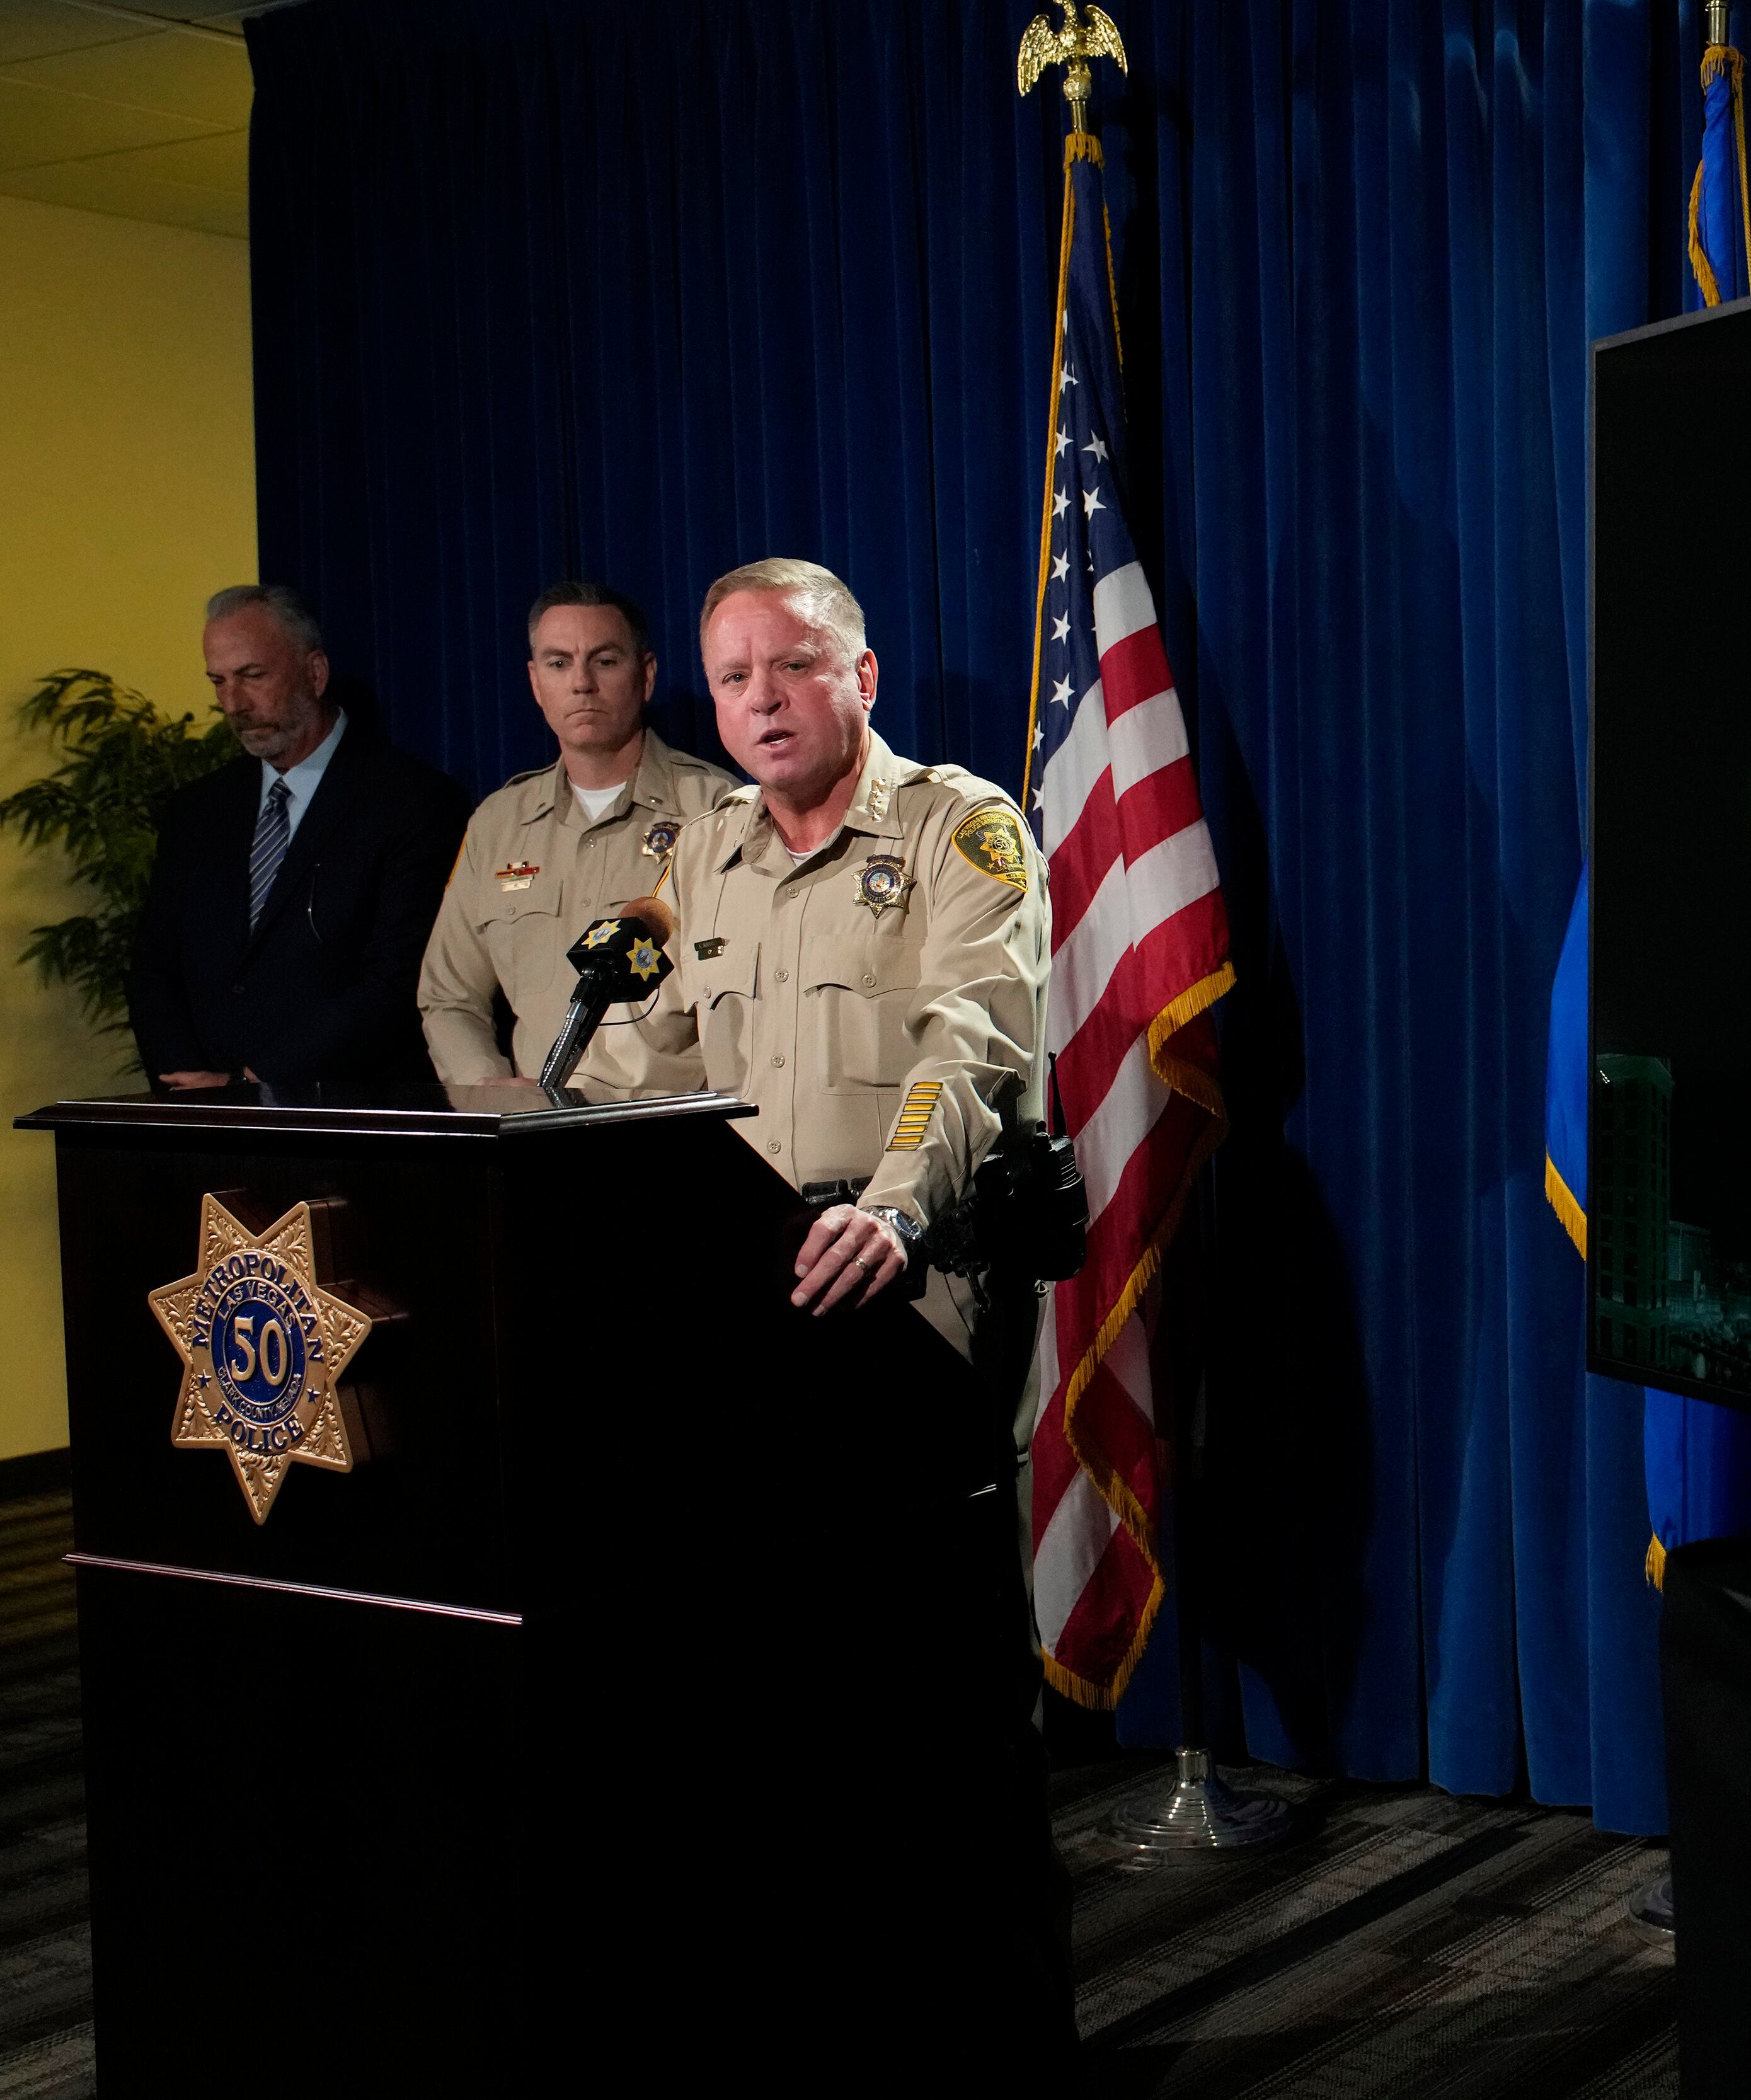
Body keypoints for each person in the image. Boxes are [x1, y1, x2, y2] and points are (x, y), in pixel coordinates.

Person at [630, 556, 1071, 2065]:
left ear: (860, 678)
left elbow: (974, 1039)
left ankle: (997, 2043)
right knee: (781, 1704)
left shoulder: (959, 827)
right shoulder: (702, 850)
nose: (762, 700)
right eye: (733, 677)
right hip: (746, 1325)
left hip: (914, 1309)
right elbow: (643, 1064)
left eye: (794, 667)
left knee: (940, 1711)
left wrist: (892, 1203)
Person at [130, 585, 471, 1089]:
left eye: (253, 676)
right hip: (207, 1116)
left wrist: (258, 1082)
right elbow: (155, 968)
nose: (234, 704)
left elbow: (400, 977)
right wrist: (188, 1084)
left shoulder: (414, 801)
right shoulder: (197, 811)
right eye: (219, 681)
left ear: (315, 673)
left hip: (347, 1113)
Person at [416, 579, 735, 1086]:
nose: (581, 683)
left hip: (665, 1120)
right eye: (559, 663)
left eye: (604, 661)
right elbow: (449, 996)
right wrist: (490, 1086)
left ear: (646, 675)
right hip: (534, 1124)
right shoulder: (498, 824)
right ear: (535, 681)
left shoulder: (717, 810)